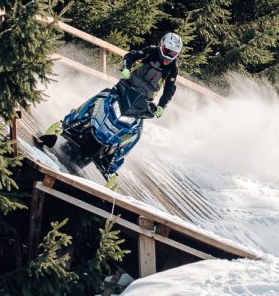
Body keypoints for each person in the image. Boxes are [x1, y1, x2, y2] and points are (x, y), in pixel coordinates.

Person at [42, 32, 183, 188]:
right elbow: (132, 56)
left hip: (143, 101)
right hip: (127, 87)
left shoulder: (172, 68)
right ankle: (70, 121)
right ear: (161, 45)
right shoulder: (151, 51)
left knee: (136, 132)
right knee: (101, 97)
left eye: (173, 53)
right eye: (167, 50)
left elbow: (169, 89)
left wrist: (162, 106)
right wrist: (126, 68)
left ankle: (113, 163)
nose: (169, 55)